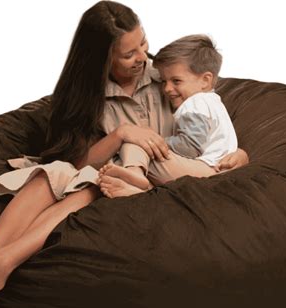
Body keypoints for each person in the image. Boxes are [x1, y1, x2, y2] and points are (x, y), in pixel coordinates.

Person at [0, 0, 249, 308]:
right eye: (129, 53)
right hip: (96, 166)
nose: (142, 57)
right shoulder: (84, 94)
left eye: (143, 43)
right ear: (104, 58)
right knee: (51, 175)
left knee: (86, 189)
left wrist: (240, 154)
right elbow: (73, 160)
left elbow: (209, 120)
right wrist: (120, 134)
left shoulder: (165, 76)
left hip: (140, 173)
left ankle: (1, 263)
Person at [97, 33, 242, 197]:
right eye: (164, 81)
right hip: (217, 170)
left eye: (176, 81)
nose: (167, 88)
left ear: (205, 80)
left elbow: (190, 147)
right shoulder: (213, 101)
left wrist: (156, 141)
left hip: (205, 170)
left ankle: (134, 175)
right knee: (142, 142)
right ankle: (139, 189)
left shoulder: (194, 104)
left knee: (139, 142)